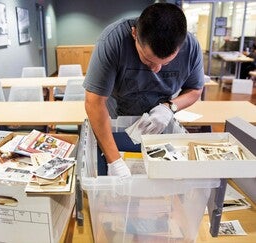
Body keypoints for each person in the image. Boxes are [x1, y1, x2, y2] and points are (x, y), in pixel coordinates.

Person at [83, 3, 205, 178]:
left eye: (166, 63)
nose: (156, 69)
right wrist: (115, 161)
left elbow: (195, 89)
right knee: (117, 187)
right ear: (134, 34)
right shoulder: (113, 40)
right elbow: (93, 102)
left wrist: (169, 107)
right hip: (115, 122)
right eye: (148, 60)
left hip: (158, 122)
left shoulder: (191, 46)